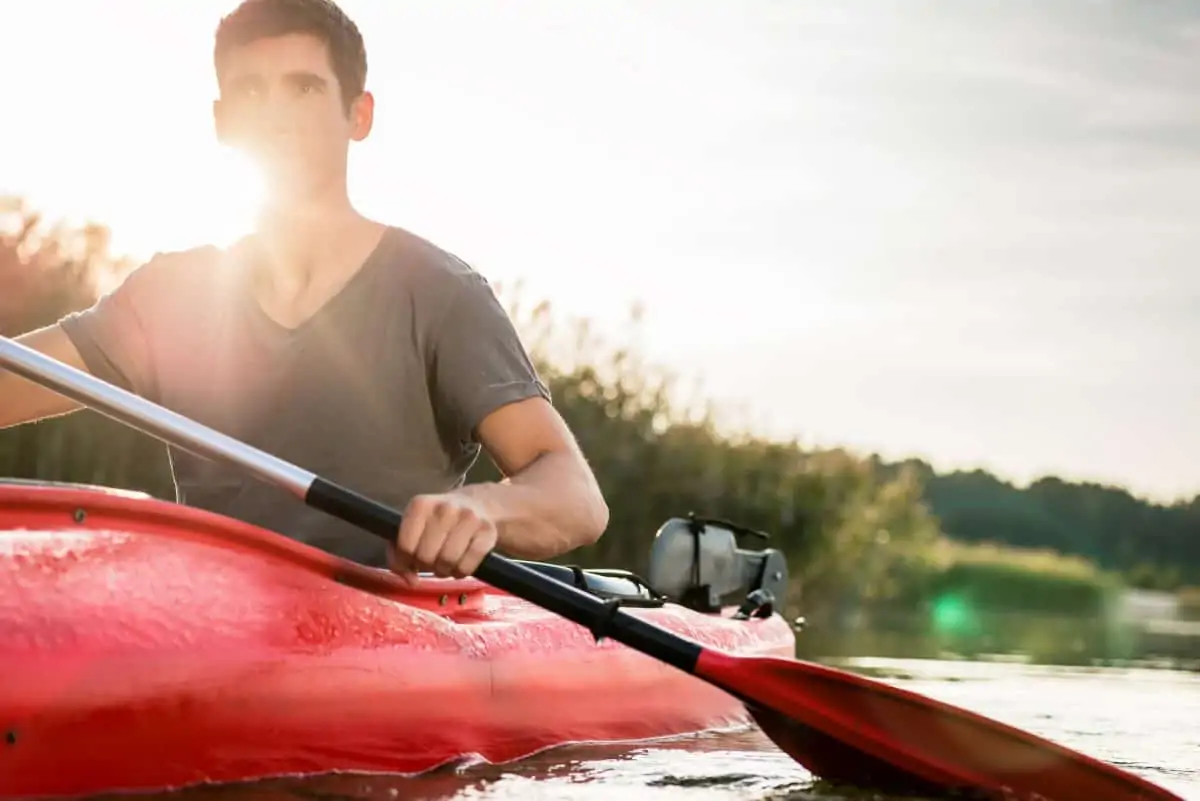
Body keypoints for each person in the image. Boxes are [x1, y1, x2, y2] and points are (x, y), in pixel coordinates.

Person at [0, 0, 608, 583]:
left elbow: (576, 497)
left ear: (359, 115)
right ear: (222, 122)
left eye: (305, 87)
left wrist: (485, 511)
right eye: (250, 91)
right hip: (206, 642)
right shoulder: (172, 294)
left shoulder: (440, 292)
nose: (276, 114)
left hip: (381, 658)